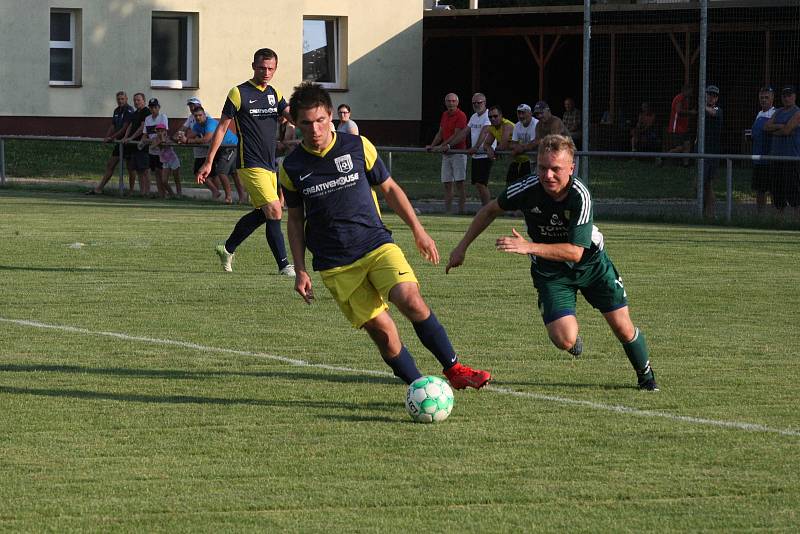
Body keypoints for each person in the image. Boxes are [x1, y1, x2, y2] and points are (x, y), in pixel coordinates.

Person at [280, 82, 491, 390]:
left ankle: (455, 368)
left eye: (320, 120)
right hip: (336, 263)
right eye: (306, 123)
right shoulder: (292, 167)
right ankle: (419, 387)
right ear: (294, 123)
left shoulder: (357, 146)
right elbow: (296, 220)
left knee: (411, 300)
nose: (314, 129)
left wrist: (418, 231)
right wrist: (300, 269)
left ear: (330, 116)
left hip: (376, 244)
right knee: (383, 332)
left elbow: (390, 189)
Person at [446, 134, 659, 391]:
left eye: (556, 169)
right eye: (542, 167)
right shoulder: (526, 188)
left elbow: (576, 252)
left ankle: (646, 377)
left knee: (623, 328)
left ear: (571, 168)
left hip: (591, 266)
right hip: (551, 272)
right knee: (564, 340)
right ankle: (572, 338)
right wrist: (461, 248)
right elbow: (490, 209)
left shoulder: (580, 196)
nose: (548, 175)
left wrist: (528, 247)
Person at [196, 47, 294, 276]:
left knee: (266, 212)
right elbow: (221, 128)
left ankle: (227, 247)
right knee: (274, 209)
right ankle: (284, 265)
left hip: (270, 164)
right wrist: (209, 161)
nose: (266, 72)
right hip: (249, 162)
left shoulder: (275, 94)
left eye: (271, 68)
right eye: (262, 67)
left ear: (276, 68)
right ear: (253, 66)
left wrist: (317, 123)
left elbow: (292, 116)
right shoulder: (238, 92)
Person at [183, 107, 238, 203]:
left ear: (205, 115)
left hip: (231, 146)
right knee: (233, 173)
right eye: (196, 116)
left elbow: (207, 138)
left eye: (200, 115)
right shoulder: (196, 126)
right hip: (221, 149)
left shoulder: (210, 123)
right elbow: (189, 136)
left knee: (221, 171)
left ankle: (229, 198)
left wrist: (188, 140)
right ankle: (239, 198)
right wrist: (182, 138)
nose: (198, 117)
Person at [426, 93, 468, 214]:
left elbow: (457, 134)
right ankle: (448, 211)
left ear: (457, 102)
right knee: (447, 183)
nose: (451, 103)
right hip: (446, 154)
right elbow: (440, 132)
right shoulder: (444, 115)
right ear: (445, 102)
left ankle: (461, 211)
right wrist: (433, 145)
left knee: (460, 183)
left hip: (458, 153)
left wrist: (442, 146)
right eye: (448, 101)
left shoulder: (461, 115)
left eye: (453, 101)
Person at [87, 91, 134, 195]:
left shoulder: (129, 110)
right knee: (110, 164)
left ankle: (131, 191)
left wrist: (112, 138)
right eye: (118, 99)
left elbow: (125, 127)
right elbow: (113, 125)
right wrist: (107, 137)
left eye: (122, 99)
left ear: (126, 99)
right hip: (118, 143)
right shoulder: (116, 110)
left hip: (127, 142)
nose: (120, 101)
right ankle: (99, 188)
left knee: (130, 167)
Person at [764, 85, 800, 216]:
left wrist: (776, 130)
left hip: (791, 157)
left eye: (789, 95)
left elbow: (787, 130)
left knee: (793, 189)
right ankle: (779, 220)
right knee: (777, 190)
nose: (787, 98)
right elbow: (766, 127)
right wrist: (780, 126)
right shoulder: (778, 111)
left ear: (794, 96)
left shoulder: (797, 112)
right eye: (784, 95)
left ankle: (796, 220)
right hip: (776, 157)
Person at [750, 86, 776, 214]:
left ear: (772, 98)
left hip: (769, 160)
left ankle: (774, 217)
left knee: (772, 190)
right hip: (758, 159)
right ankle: (760, 216)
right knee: (760, 190)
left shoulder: (776, 114)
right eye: (761, 97)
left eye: (766, 97)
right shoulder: (759, 114)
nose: (764, 100)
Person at [120, 92, 151, 197]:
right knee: (138, 169)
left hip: (142, 143)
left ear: (144, 101)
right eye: (135, 100)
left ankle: (147, 192)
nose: (136, 102)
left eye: (138, 100)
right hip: (133, 145)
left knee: (145, 170)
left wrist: (131, 138)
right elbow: (130, 125)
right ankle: (142, 192)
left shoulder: (146, 111)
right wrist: (125, 137)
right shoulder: (135, 113)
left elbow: (142, 127)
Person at [465, 92, 493, 206]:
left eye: (479, 102)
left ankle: (488, 209)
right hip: (476, 155)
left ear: (485, 103)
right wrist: (448, 145)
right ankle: (485, 208)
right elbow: (465, 131)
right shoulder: (474, 117)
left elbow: (485, 131)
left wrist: (476, 147)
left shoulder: (488, 115)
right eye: (474, 103)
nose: (476, 104)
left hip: (485, 153)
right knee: (478, 184)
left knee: (482, 183)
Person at [143, 98, 174, 198]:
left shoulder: (162, 117)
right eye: (151, 107)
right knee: (156, 172)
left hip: (161, 151)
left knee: (161, 172)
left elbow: (163, 134)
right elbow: (145, 136)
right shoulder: (147, 119)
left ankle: (168, 194)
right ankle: (161, 194)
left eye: (155, 107)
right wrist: (149, 141)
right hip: (152, 151)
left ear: (159, 107)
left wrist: (152, 142)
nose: (153, 109)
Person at [701, 85, 723, 218]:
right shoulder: (702, 109)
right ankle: (704, 212)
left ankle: (711, 214)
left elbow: (713, 113)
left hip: (712, 153)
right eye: (709, 94)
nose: (711, 97)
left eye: (714, 96)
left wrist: (701, 106)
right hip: (701, 151)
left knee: (707, 184)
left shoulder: (718, 110)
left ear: (717, 98)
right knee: (700, 185)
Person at [662, 83, 696, 166]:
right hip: (677, 127)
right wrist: (691, 112)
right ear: (685, 90)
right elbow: (679, 111)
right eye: (690, 91)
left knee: (687, 144)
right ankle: (662, 157)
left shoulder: (684, 99)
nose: (691, 93)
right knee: (680, 147)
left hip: (683, 127)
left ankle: (685, 164)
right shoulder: (679, 98)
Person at [508, 104, 538, 185]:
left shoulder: (536, 124)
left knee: (537, 182)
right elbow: (513, 144)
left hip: (540, 157)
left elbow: (534, 144)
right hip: (530, 159)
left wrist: (520, 148)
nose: (521, 116)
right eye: (519, 113)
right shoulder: (517, 125)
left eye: (523, 113)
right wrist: (519, 148)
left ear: (530, 113)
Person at [153, 124, 181, 197]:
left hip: (173, 160)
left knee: (176, 178)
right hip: (165, 161)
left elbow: (165, 144)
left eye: (162, 131)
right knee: (164, 181)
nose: (160, 133)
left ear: (165, 131)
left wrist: (162, 138)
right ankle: (172, 195)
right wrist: (160, 140)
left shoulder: (169, 138)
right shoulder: (155, 139)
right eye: (158, 131)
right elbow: (153, 146)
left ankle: (179, 195)